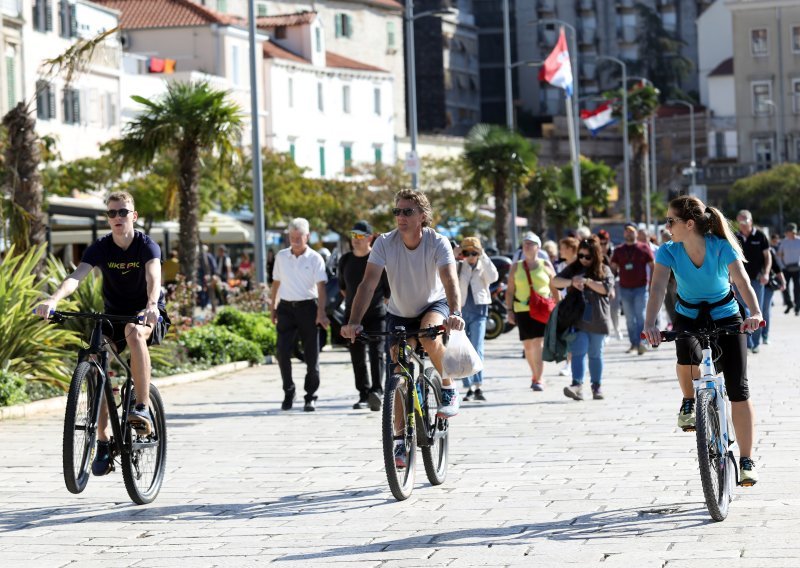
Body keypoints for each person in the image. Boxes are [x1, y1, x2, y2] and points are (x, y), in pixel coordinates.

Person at [35, 191, 170, 476]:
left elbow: (154, 277)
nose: (117, 218)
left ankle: (143, 406)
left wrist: (150, 306)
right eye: (112, 213)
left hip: (146, 313)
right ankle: (103, 440)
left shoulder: (147, 246)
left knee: (134, 332)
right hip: (113, 313)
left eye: (123, 212)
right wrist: (54, 300)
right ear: (107, 218)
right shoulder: (101, 247)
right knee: (97, 357)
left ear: (133, 216)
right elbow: (76, 275)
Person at [642, 195, 762, 485]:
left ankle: (746, 460)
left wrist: (755, 312)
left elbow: (742, 281)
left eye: (671, 221)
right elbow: (657, 287)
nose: (666, 226)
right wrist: (649, 324)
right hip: (689, 315)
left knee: (738, 388)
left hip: (726, 316)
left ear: (689, 223)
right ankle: (688, 401)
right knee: (685, 356)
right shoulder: (668, 251)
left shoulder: (721, 247)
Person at [341, 190, 465, 468]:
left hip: (434, 304)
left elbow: (449, 280)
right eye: (397, 211)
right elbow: (368, 284)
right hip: (399, 311)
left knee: (430, 335)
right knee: (398, 367)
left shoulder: (438, 242)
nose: (401, 217)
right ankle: (400, 440)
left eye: (407, 212)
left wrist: (455, 313)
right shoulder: (385, 243)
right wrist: (353, 321)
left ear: (422, 216)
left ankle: (448, 385)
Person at [270, 218, 330, 412]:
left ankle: (310, 395)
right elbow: (276, 283)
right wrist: (273, 306)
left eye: (299, 237)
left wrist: (321, 312)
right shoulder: (281, 256)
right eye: (291, 237)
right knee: (282, 352)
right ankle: (289, 391)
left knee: (311, 355)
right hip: (286, 308)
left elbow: (321, 288)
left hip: (308, 308)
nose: (295, 241)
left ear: (307, 237)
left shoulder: (315, 258)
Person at [552, 237, 614, 400]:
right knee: (578, 352)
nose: (583, 260)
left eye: (588, 257)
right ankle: (577, 385)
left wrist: (587, 281)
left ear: (596, 255)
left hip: (598, 319)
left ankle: (596, 386)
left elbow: (606, 288)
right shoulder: (574, 268)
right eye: (581, 256)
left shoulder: (604, 269)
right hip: (577, 319)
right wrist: (572, 281)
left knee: (595, 354)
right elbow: (556, 281)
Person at [339, 220, 390, 411]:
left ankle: (377, 392)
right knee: (357, 356)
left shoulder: (378, 261)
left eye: (360, 236)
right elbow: (343, 289)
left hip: (377, 315)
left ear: (370, 237)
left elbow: (387, 293)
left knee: (377, 354)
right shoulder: (345, 260)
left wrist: (374, 306)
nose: (356, 240)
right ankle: (363, 394)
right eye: (353, 235)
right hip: (352, 316)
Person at [506, 232, 558, 391]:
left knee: (538, 342)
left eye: (530, 244)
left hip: (542, 310)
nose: (527, 246)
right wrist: (509, 310)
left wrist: (559, 308)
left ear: (538, 247)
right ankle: (534, 374)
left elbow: (555, 288)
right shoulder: (516, 266)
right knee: (528, 346)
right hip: (522, 309)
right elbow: (509, 291)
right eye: (524, 244)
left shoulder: (546, 265)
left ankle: (539, 378)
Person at [456, 236, 498, 402]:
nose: (471, 256)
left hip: (480, 311)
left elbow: (493, 277)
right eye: (468, 252)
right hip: (461, 311)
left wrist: (484, 256)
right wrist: (457, 254)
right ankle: (468, 387)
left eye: (474, 252)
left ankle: (478, 385)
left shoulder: (483, 265)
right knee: (463, 350)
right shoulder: (460, 265)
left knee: (477, 348)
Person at [611, 223, 654, 355]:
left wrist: (652, 283)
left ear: (636, 233)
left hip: (641, 287)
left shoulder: (644, 248)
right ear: (624, 234)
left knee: (640, 316)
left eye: (631, 231)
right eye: (627, 231)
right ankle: (633, 344)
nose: (629, 234)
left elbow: (653, 266)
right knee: (629, 319)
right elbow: (612, 267)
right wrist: (612, 281)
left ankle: (642, 343)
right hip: (624, 288)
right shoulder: (619, 250)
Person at [735, 210, 770, 353]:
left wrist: (766, 273)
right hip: (739, 281)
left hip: (756, 279)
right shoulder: (735, 237)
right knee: (743, 311)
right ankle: (747, 343)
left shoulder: (760, 235)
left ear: (751, 220)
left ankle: (756, 343)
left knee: (757, 311)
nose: (742, 225)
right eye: (740, 222)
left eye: (744, 221)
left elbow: (768, 257)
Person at [778, 222, 800, 315]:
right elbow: (779, 255)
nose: (792, 233)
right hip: (786, 268)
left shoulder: (799, 241)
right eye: (790, 231)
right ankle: (789, 303)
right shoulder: (784, 242)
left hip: (798, 268)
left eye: (793, 232)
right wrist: (782, 266)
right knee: (784, 287)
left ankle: (797, 306)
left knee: (797, 288)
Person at [197, 244, 217, 309]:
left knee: (207, 289)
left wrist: (213, 274)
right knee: (203, 289)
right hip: (202, 276)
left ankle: (206, 303)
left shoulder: (208, 256)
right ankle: (204, 304)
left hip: (207, 275)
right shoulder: (200, 257)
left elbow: (213, 266)